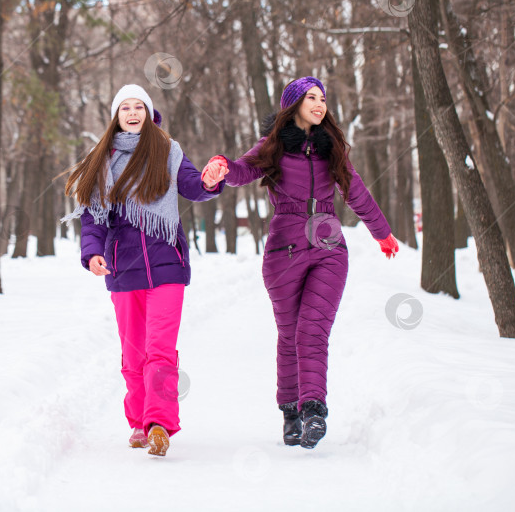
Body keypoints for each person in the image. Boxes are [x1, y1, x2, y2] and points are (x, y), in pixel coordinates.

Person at [202, 76, 398, 449]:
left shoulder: (332, 148)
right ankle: (290, 414)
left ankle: (313, 410)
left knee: (313, 330)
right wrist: (220, 167)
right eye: (312, 97)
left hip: (328, 247)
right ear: (293, 104)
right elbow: (242, 170)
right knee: (290, 334)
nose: (320, 103)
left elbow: (355, 191)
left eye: (323, 98)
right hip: (283, 251)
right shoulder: (273, 146)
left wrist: (381, 232)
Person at [62, 84, 228, 456]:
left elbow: (192, 185)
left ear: (150, 114)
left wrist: (209, 179)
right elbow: (93, 220)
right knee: (134, 354)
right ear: (116, 117)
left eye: (140, 106)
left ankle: (159, 425)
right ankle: (138, 421)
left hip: (167, 262)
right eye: (126, 108)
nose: (133, 113)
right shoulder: (101, 161)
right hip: (123, 269)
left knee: (161, 349)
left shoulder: (168, 152)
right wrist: (91, 254)